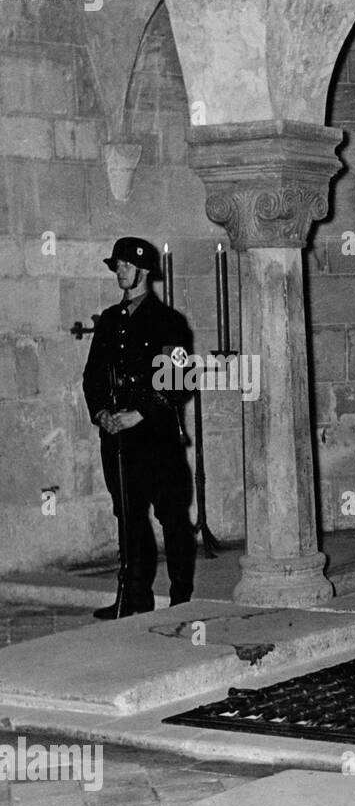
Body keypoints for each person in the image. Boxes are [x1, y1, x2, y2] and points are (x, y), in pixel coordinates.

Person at [82, 237, 195, 619]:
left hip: (156, 436)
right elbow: (92, 376)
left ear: (144, 270)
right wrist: (101, 413)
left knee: (173, 517)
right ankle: (133, 598)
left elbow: (178, 381)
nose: (119, 271)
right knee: (128, 517)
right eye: (117, 266)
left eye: (126, 265)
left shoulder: (168, 323)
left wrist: (140, 414)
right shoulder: (111, 320)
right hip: (117, 439)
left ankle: (181, 599)